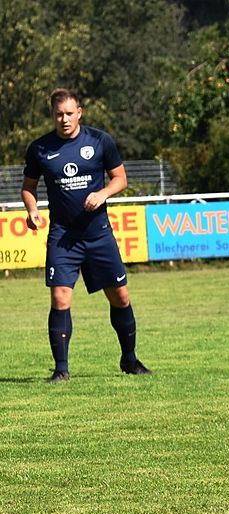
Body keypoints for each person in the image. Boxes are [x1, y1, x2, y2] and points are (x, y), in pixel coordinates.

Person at [21, 88, 151, 382]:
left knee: (120, 296)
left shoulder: (100, 141)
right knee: (60, 298)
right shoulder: (39, 148)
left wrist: (102, 193)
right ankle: (61, 370)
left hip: (98, 234)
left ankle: (129, 360)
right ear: (52, 115)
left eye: (69, 113)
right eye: (59, 114)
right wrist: (33, 210)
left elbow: (120, 178)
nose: (64, 119)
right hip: (63, 236)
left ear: (79, 112)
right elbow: (28, 188)